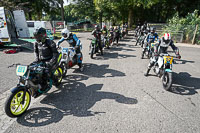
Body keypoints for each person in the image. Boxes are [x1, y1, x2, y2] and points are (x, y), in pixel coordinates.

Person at [33, 27, 59, 96]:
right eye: (36, 36)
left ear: (43, 35)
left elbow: (55, 53)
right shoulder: (36, 43)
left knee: (47, 72)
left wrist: (51, 62)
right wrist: (36, 59)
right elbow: (36, 52)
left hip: (50, 60)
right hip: (41, 60)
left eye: (38, 36)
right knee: (32, 70)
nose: (37, 38)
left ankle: (55, 81)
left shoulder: (50, 42)